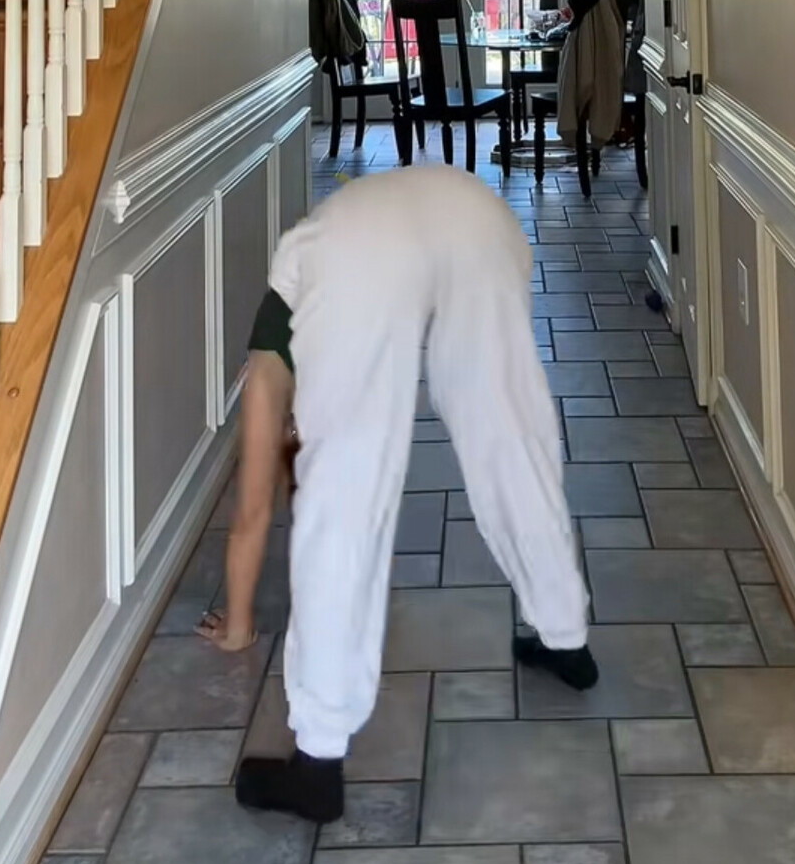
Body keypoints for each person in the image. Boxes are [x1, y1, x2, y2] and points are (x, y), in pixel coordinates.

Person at [235, 161, 597, 827]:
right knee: (511, 434)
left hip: (369, 253)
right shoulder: (328, 232)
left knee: (344, 490)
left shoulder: (299, 283)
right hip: (481, 219)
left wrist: (237, 621)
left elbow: (261, 489)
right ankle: (566, 637)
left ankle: (317, 760)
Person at [196, 288, 297, 652]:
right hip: (352, 320)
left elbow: (252, 510)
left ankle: (238, 628)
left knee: (254, 500)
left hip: (287, 325)